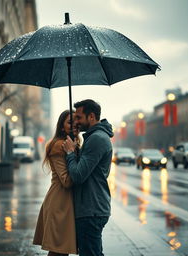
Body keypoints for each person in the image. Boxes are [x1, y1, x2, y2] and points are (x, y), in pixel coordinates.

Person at [62, 99, 114, 256]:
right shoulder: (93, 137)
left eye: (78, 117)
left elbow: (78, 175)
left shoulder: (97, 138)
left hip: (91, 209)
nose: (76, 121)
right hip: (91, 208)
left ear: (91, 117)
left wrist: (70, 153)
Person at [33, 110, 79, 256]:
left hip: (66, 204)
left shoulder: (72, 144)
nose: (75, 125)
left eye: (77, 121)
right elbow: (66, 180)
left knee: (61, 251)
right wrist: (73, 154)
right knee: (58, 251)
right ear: (61, 127)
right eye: (70, 122)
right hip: (59, 204)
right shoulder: (59, 146)